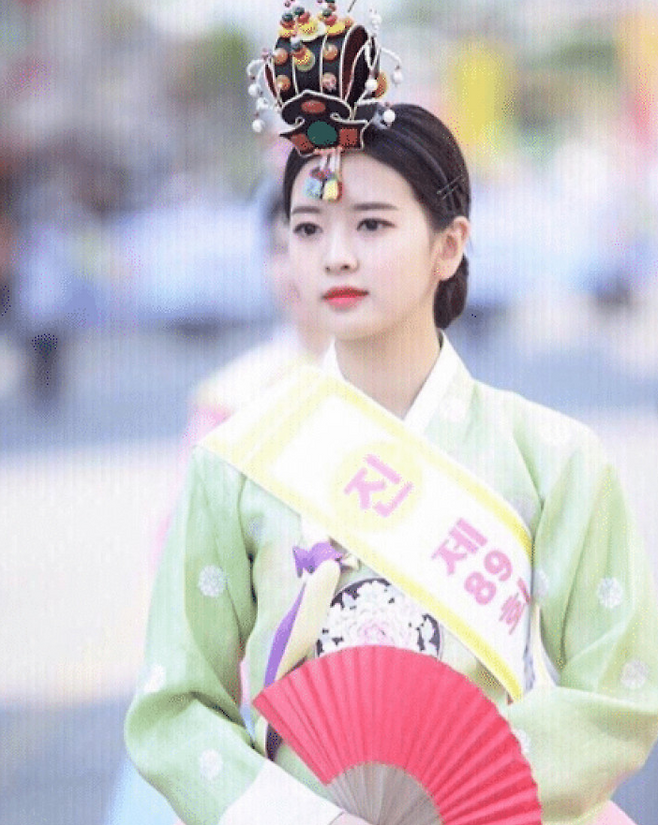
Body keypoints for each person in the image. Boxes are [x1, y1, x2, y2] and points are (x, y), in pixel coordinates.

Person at [125, 5, 658, 825]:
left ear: (449, 245)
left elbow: (616, 692)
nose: (335, 254)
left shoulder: (552, 457)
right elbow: (175, 705)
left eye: (371, 224)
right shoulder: (236, 461)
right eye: (309, 228)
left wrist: (467, 793)